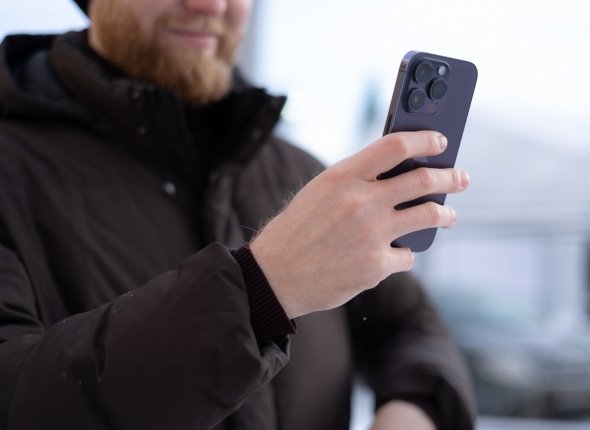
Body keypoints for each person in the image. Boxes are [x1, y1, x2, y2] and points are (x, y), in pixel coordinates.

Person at [0, 0, 475, 429]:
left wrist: (415, 409)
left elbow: (410, 325)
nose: (210, 5)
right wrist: (267, 285)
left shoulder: (301, 173)